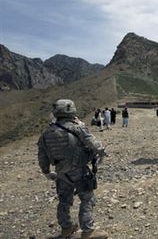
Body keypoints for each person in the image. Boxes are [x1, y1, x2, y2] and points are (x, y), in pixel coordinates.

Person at [37, 99, 108, 239]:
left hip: (61, 173)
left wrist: (46, 172)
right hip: (79, 171)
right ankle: (87, 231)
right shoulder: (77, 128)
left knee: (64, 201)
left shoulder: (46, 133)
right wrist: (101, 153)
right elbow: (93, 143)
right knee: (87, 198)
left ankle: (66, 228)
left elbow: (42, 156)